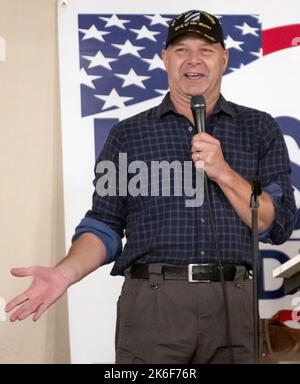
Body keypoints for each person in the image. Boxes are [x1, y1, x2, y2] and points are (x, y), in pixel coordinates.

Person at [6, 9, 297, 364]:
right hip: (153, 308)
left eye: (205, 49)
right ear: (164, 59)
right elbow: (105, 225)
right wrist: (64, 273)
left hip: (233, 306)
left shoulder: (259, 129)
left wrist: (223, 172)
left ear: (224, 58)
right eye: (180, 50)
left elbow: (275, 223)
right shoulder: (128, 134)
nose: (193, 60)